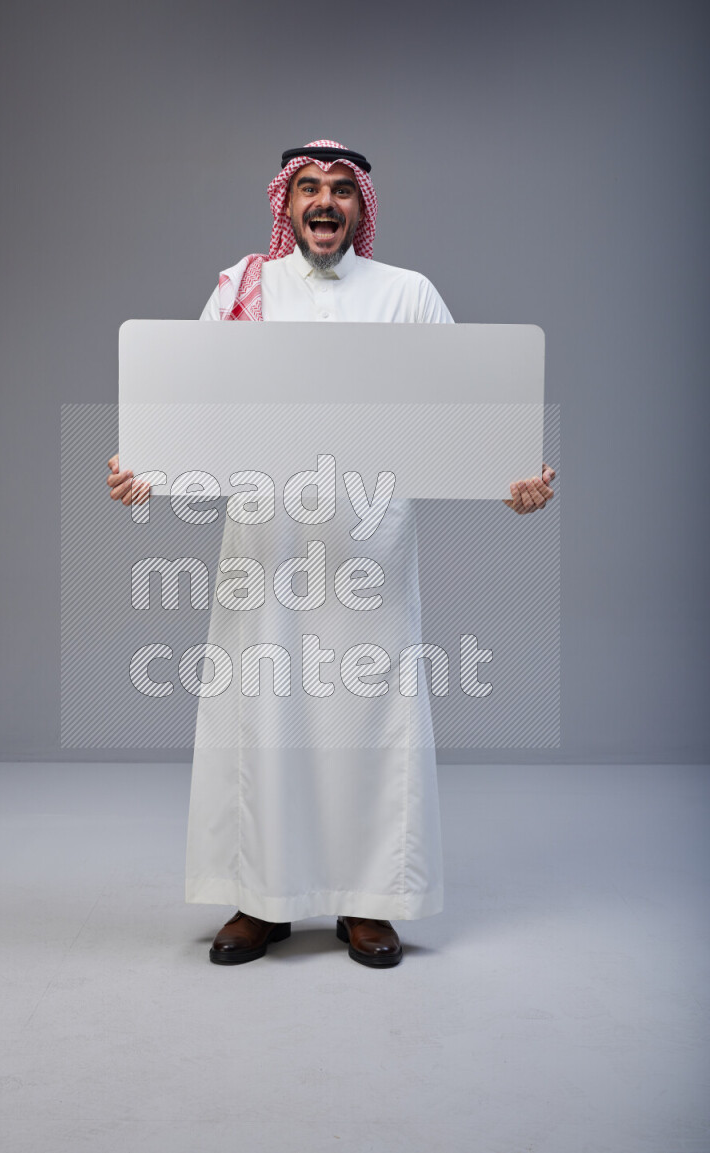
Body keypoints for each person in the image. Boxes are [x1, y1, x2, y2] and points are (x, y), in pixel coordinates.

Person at [107, 139, 555, 968]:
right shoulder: (243, 288)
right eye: (308, 187)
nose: (324, 202)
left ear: (361, 207)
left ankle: (368, 903)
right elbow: (188, 405)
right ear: (285, 203)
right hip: (265, 550)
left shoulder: (408, 295)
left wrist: (511, 480)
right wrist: (147, 471)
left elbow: (468, 413)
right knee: (261, 718)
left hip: (368, 555)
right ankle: (261, 899)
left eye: (341, 190)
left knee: (367, 721)